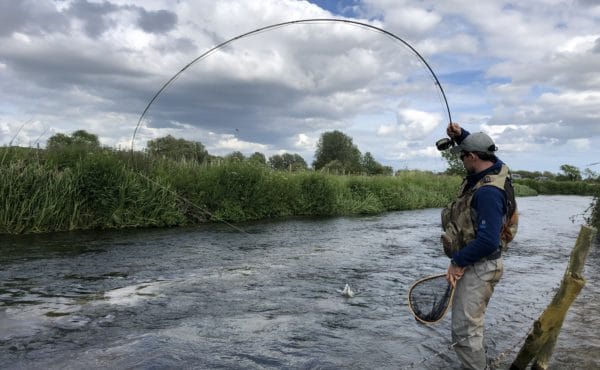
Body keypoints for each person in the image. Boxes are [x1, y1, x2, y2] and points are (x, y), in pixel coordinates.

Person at [441, 123, 518, 370]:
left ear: (473, 157)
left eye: (464, 155)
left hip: (481, 267)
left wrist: (457, 262)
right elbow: (484, 151)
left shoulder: (487, 193)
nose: (462, 160)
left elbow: (488, 240)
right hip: (482, 264)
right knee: (471, 327)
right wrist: (462, 135)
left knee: (464, 332)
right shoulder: (498, 168)